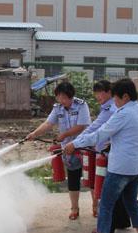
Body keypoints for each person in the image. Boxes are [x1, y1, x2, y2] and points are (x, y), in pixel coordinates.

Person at [63, 78, 138, 233]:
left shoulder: (123, 113)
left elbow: (100, 134)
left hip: (121, 168)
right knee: (131, 203)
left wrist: (75, 144)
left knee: (105, 205)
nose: (114, 102)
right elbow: (130, 135)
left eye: (116, 98)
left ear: (125, 97)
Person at [26, 81, 90, 219]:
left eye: (64, 98)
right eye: (59, 97)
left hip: (84, 147)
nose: (61, 101)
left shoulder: (81, 105)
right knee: (73, 179)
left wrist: (64, 135)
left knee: (90, 179)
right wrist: (34, 134)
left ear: (71, 96)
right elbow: (48, 123)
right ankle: (74, 208)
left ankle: (96, 207)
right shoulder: (58, 108)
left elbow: (81, 126)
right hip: (68, 149)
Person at [75, 80, 117, 217]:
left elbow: (95, 128)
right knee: (98, 183)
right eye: (96, 93)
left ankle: (106, 217)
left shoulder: (111, 109)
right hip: (100, 153)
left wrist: (76, 142)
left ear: (109, 92)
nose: (97, 96)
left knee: (104, 187)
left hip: (108, 155)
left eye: (100, 92)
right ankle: (101, 211)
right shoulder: (106, 107)